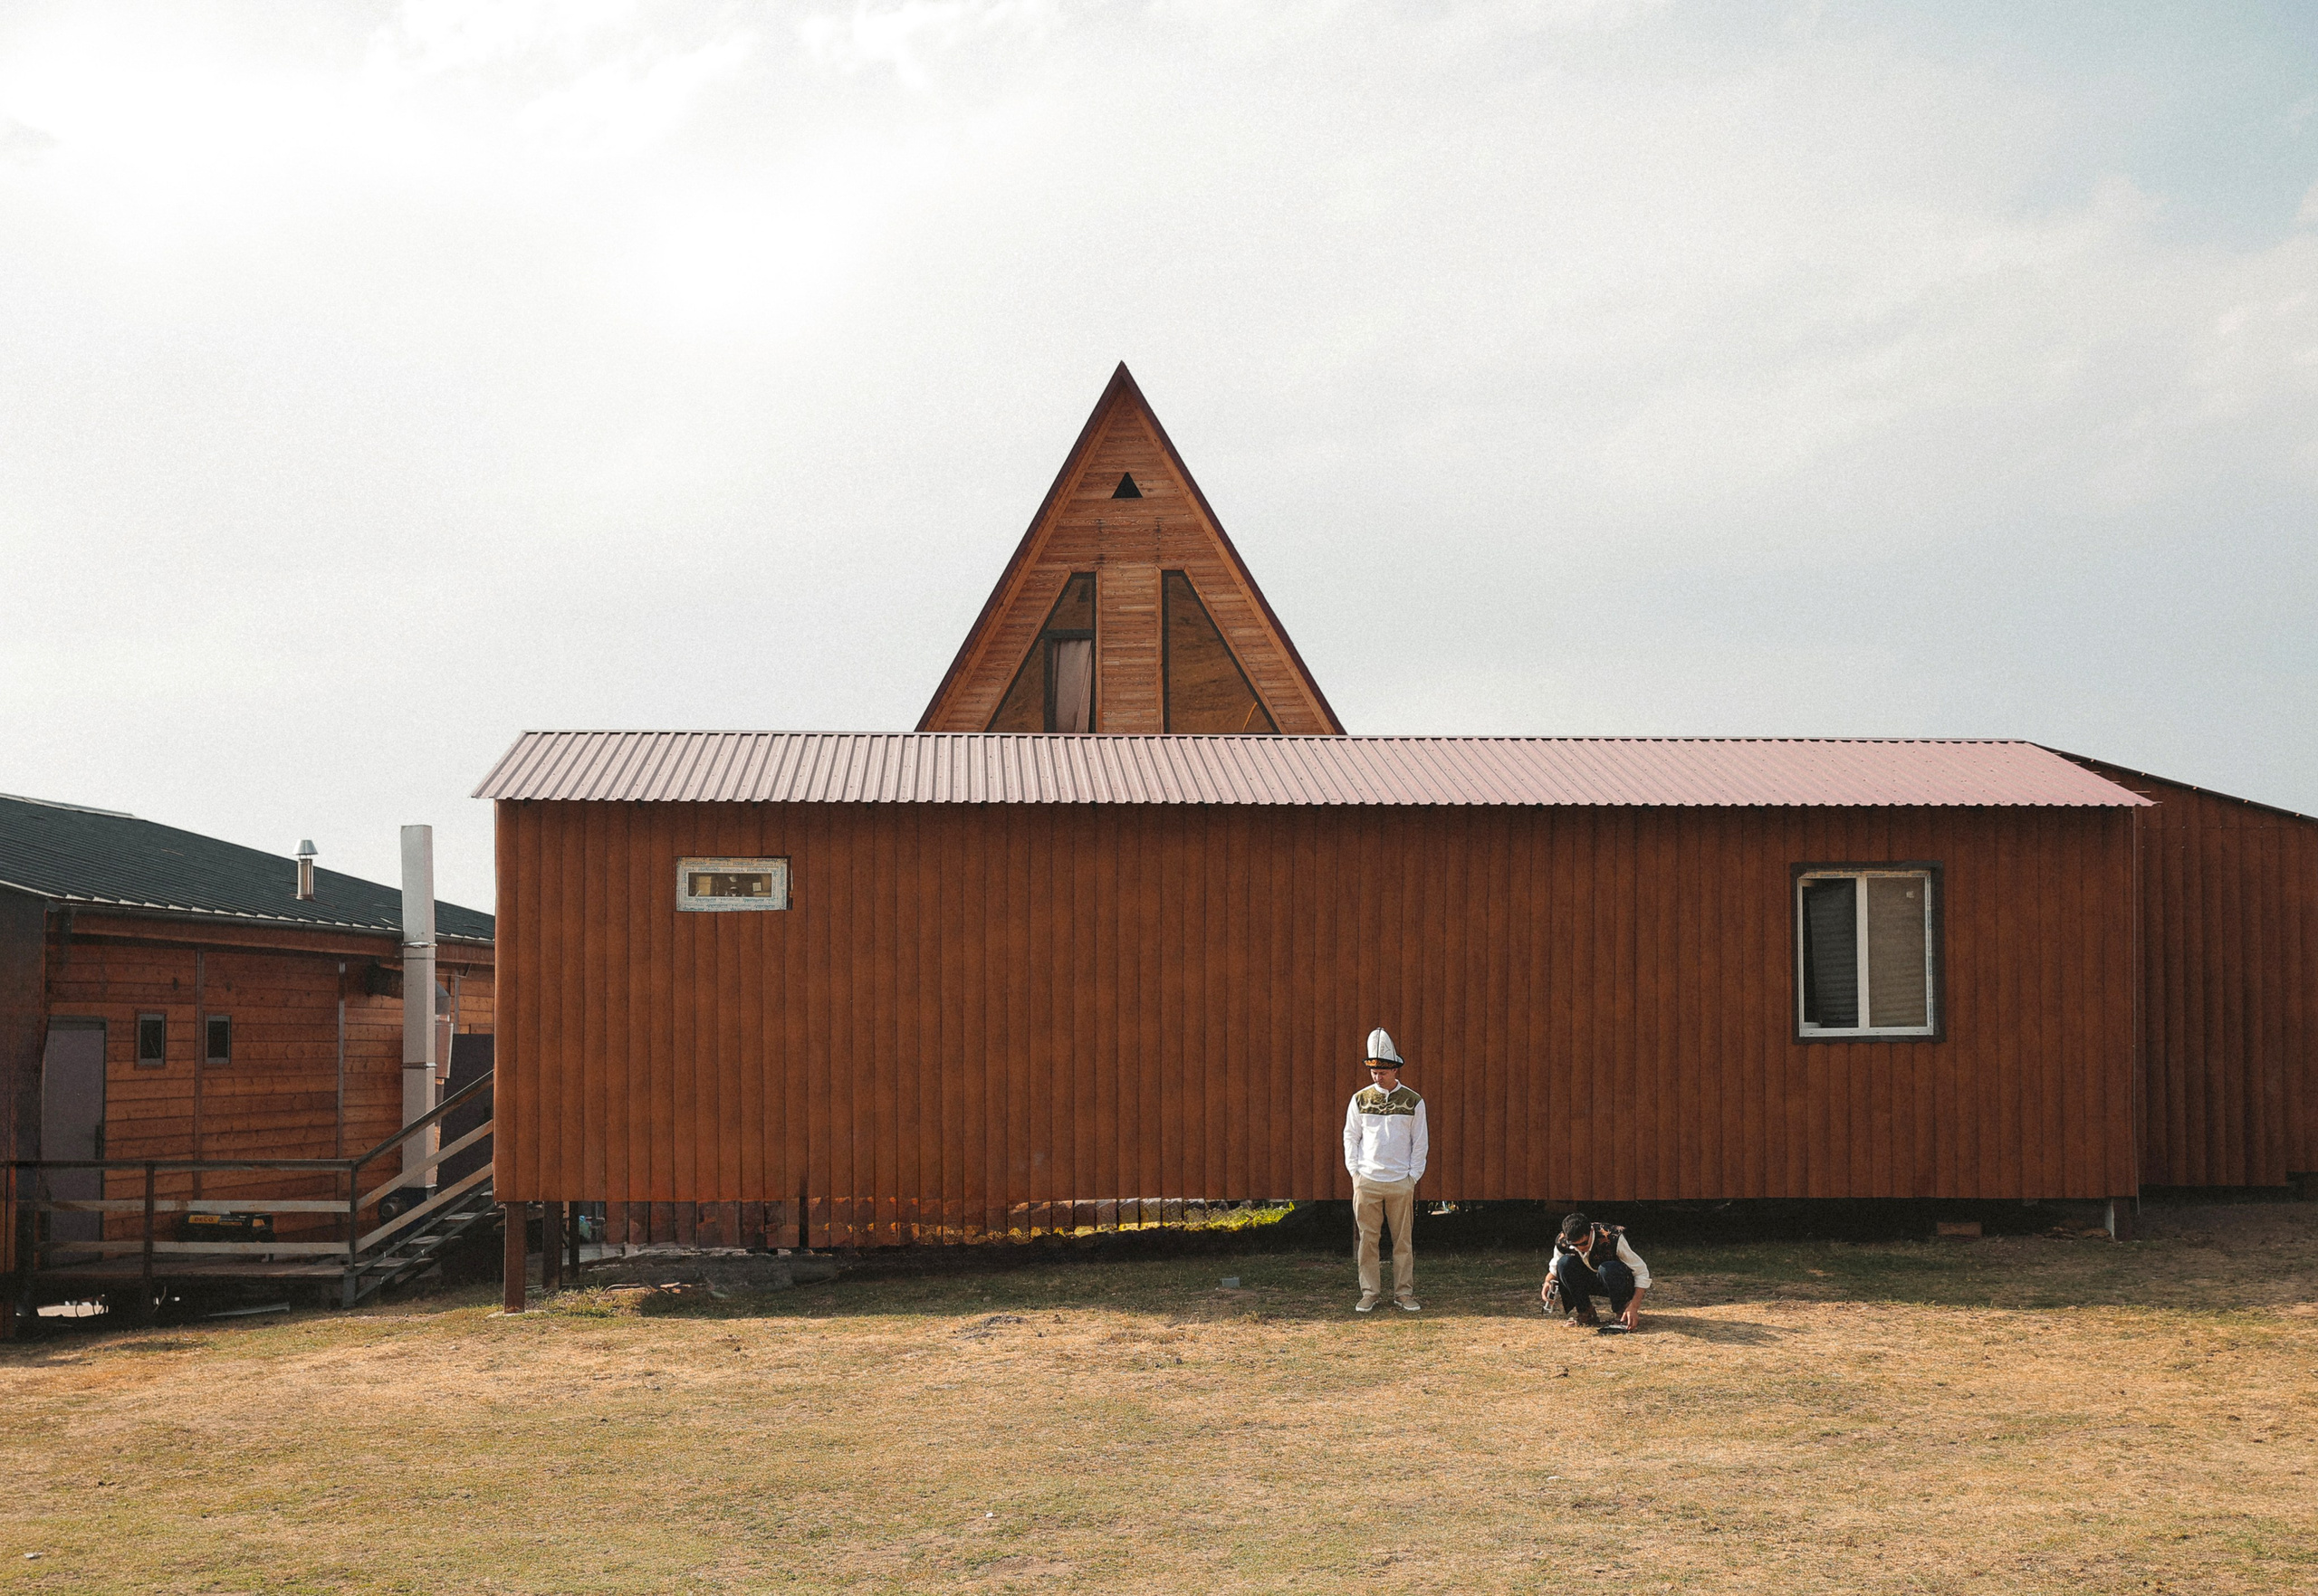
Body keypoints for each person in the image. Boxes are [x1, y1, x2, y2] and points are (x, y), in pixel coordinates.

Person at [1343, 1027, 1428, 1314]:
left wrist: (1412, 1177)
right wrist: (1356, 1174)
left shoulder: (1414, 1101)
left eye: (1382, 1071)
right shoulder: (1360, 1099)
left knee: (1403, 1242)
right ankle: (1369, 1293)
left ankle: (1403, 1294)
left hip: (1400, 1181)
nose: (1377, 1076)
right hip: (1367, 1180)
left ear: (1394, 1070)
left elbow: (1420, 1141)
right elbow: (1350, 1136)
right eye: (1374, 1071)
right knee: (1368, 1241)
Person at [1542, 1212, 1650, 1331]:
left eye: (1583, 1243)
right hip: (1591, 1280)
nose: (1580, 1248)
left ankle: (1623, 1314)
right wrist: (1548, 1283)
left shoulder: (1613, 1237)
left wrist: (1633, 1307)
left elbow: (1641, 1271)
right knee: (1564, 1263)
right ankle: (1586, 1312)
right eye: (1574, 1245)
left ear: (1591, 1232)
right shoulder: (1562, 1241)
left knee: (1607, 1268)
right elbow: (1554, 1269)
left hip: (1618, 1279)